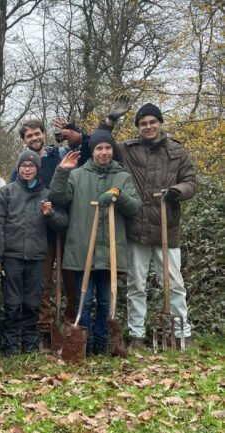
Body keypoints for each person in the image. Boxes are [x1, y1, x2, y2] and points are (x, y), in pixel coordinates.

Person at [101, 98, 198, 350]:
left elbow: (191, 182)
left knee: (174, 283)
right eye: (143, 123)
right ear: (138, 127)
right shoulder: (127, 149)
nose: (148, 126)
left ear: (160, 123)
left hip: (167, 227)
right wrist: (110, 120)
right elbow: (100, 142)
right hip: (137, 228)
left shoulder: (177, 151)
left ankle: (182, 333)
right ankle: (136, 334)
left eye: (152, 122)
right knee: (136, 283)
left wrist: (177, 191)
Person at [48, 127, 141, 355]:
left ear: (112, 150)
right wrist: (62, 171)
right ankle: (85, 345)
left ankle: (101, 344)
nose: (104, 152)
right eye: (99, 148)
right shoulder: (78, 175)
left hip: (110, 249)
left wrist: (119, 195)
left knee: (106, 302)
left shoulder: (122, 177)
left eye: (108, 147)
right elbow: (58, 196)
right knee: (85, 300)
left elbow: (135, 207)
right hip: (83, 249)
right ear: (93, 151)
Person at [0, 151, 68, 355]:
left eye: (31, 166)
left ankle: (31, 344)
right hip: (12, 256)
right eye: (23, 166)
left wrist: (50, 214)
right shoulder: (7, 192)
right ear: (18, 168)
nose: (27, 169)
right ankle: (11, 345)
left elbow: (63, 222)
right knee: (12, 302)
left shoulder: (47, 195)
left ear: (37, 169)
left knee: (33, 302)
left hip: (36, 256)